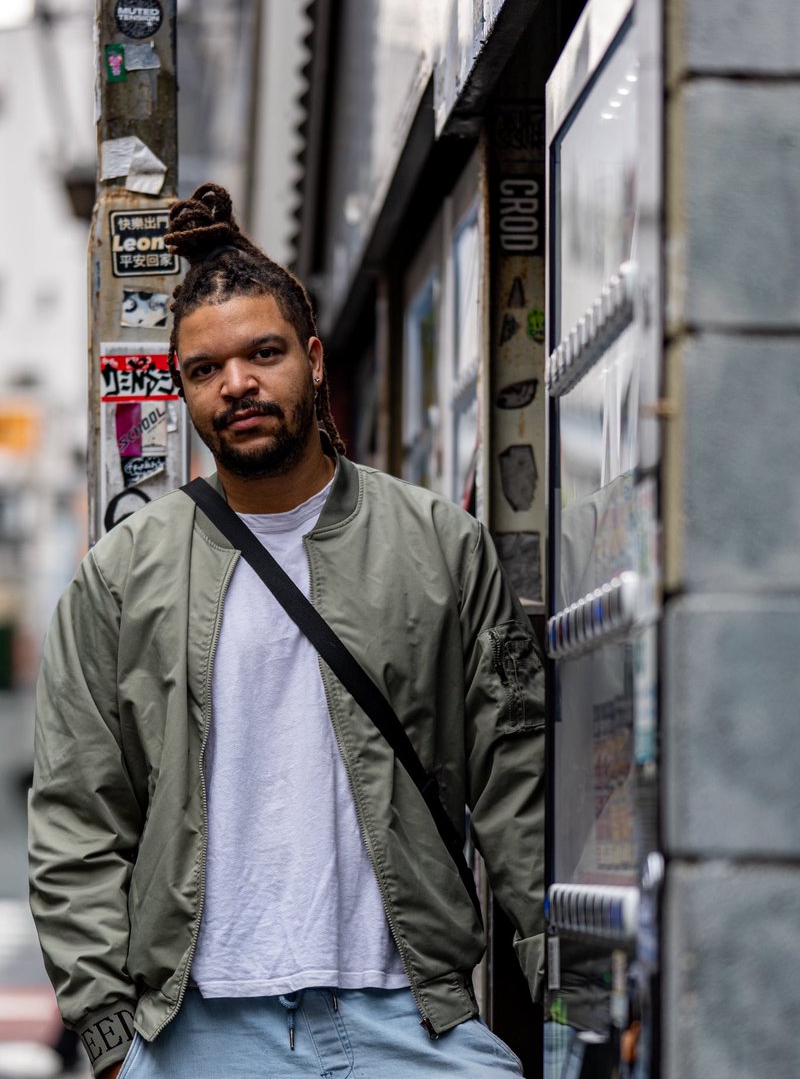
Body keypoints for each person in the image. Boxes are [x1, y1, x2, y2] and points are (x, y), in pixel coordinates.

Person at [28, 184, 545, 1079]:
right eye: (206, 369)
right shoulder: (120, 577)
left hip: (409, 1018)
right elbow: (76, 816)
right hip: (198, 1030)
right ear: (184, 389)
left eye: (263, 354)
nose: (237, 385)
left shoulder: (437, 544)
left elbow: (518, 779)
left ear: (311, 360)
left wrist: (568, 986)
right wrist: (112, 1043)